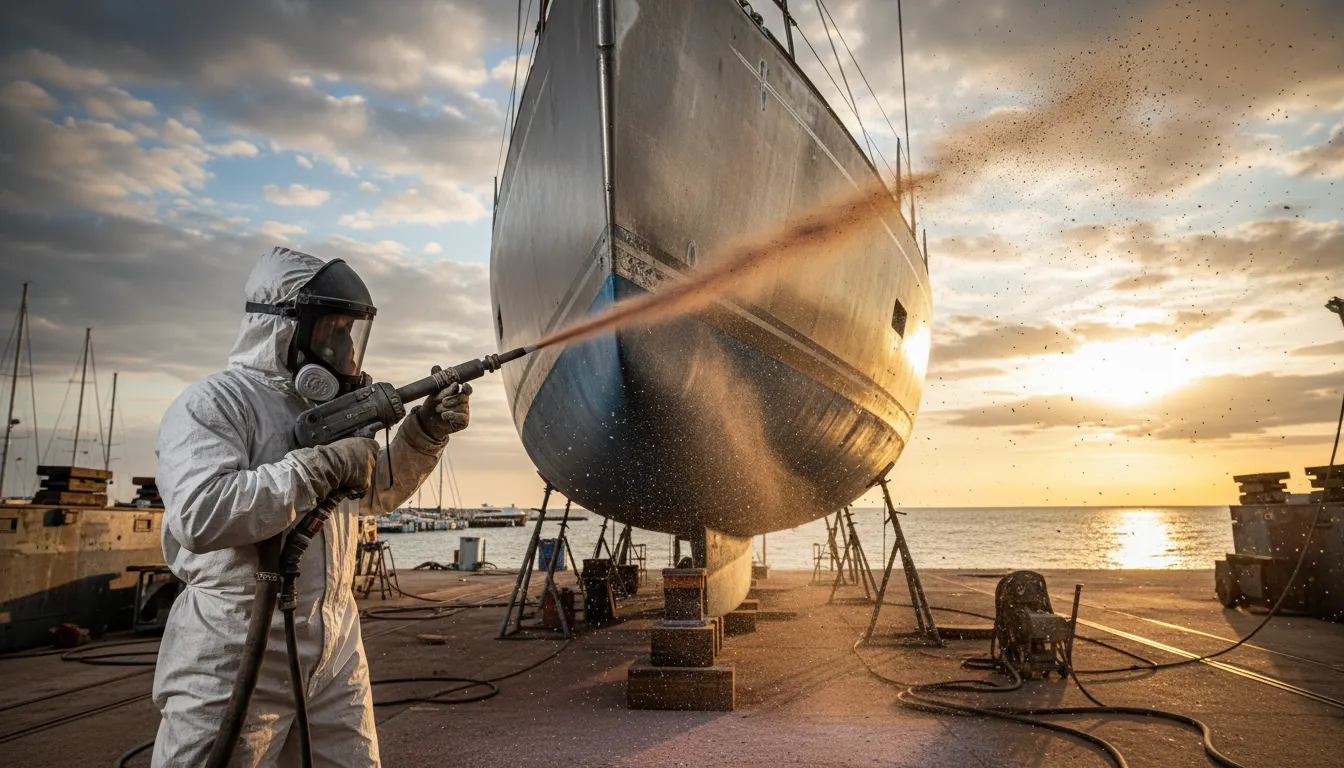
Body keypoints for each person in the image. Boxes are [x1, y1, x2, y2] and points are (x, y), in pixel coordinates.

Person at [152, 247, 471, 766]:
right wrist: (317, 467)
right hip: (234, 651)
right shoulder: (215, 403)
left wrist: (424, 433)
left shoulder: (326, 412)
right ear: (286, 329)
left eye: (351, 332)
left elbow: (375, 493)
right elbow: (200, 515)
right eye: (334, 330)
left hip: (335, 647)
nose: (346, 346)